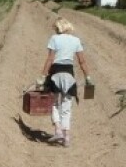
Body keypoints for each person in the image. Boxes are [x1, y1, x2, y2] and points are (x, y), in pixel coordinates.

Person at [37, 18, 92, 148]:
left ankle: (57, 130)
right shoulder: (76, 40)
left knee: (54, 103)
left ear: (59, 28)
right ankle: (67, 137)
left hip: (56, 73)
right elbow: (82, 61)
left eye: (56, 28)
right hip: (69, 75)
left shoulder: (55, 38)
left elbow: (50, 59)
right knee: (66, 107)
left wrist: (42, 76)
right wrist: (88, 77)